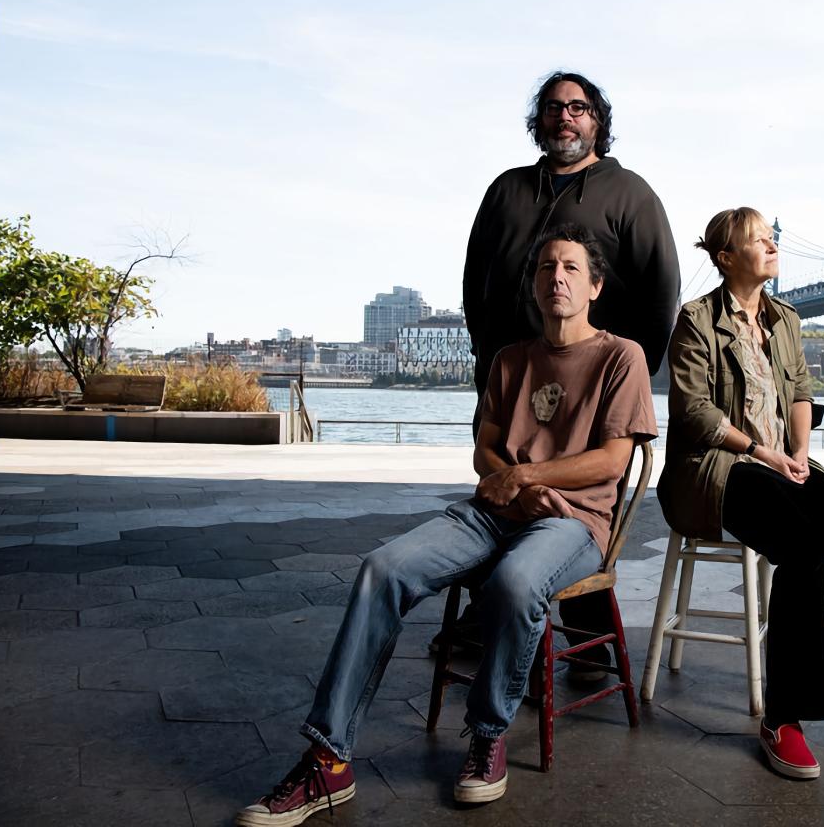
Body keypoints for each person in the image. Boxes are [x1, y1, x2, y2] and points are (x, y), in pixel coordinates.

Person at [236, 224, 656, 824]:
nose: (554, 277)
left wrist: (530, 480)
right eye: (544, 267)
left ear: (594, 285)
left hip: (572, 522)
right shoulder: (511, 360)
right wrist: (510, 483)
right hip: (493, 512)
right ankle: (328, 759)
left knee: (515, 583)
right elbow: (486, 452)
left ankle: (488, 736)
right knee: (382, 568)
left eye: (568, 267)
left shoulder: (622, 356)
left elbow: (613, 460)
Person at [657, 207, 824, 782]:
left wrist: (800, 454)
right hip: (717, 468)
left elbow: (802, 391)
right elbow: (693, 411)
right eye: (757, 239)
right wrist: (763, 453)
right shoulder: (696, 319)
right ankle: (782, 719)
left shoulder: (786, 318)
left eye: (770, 236)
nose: (771, 244)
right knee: (803, 551)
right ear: (726, 258)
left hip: (782, 463)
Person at [459, 70, 680, 679]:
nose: (566, 118)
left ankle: (587, 641)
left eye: (579, 108)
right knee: (505, 489)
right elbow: (476, 276)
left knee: (573, 504)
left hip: (593, 385)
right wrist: (488, 357)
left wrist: (625, 377)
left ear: (598, 121)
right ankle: (491, 617)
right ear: (540, 120)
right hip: (510, 375)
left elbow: (662, 291)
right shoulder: (506, 189)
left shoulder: (630, 193)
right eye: (554, 108)